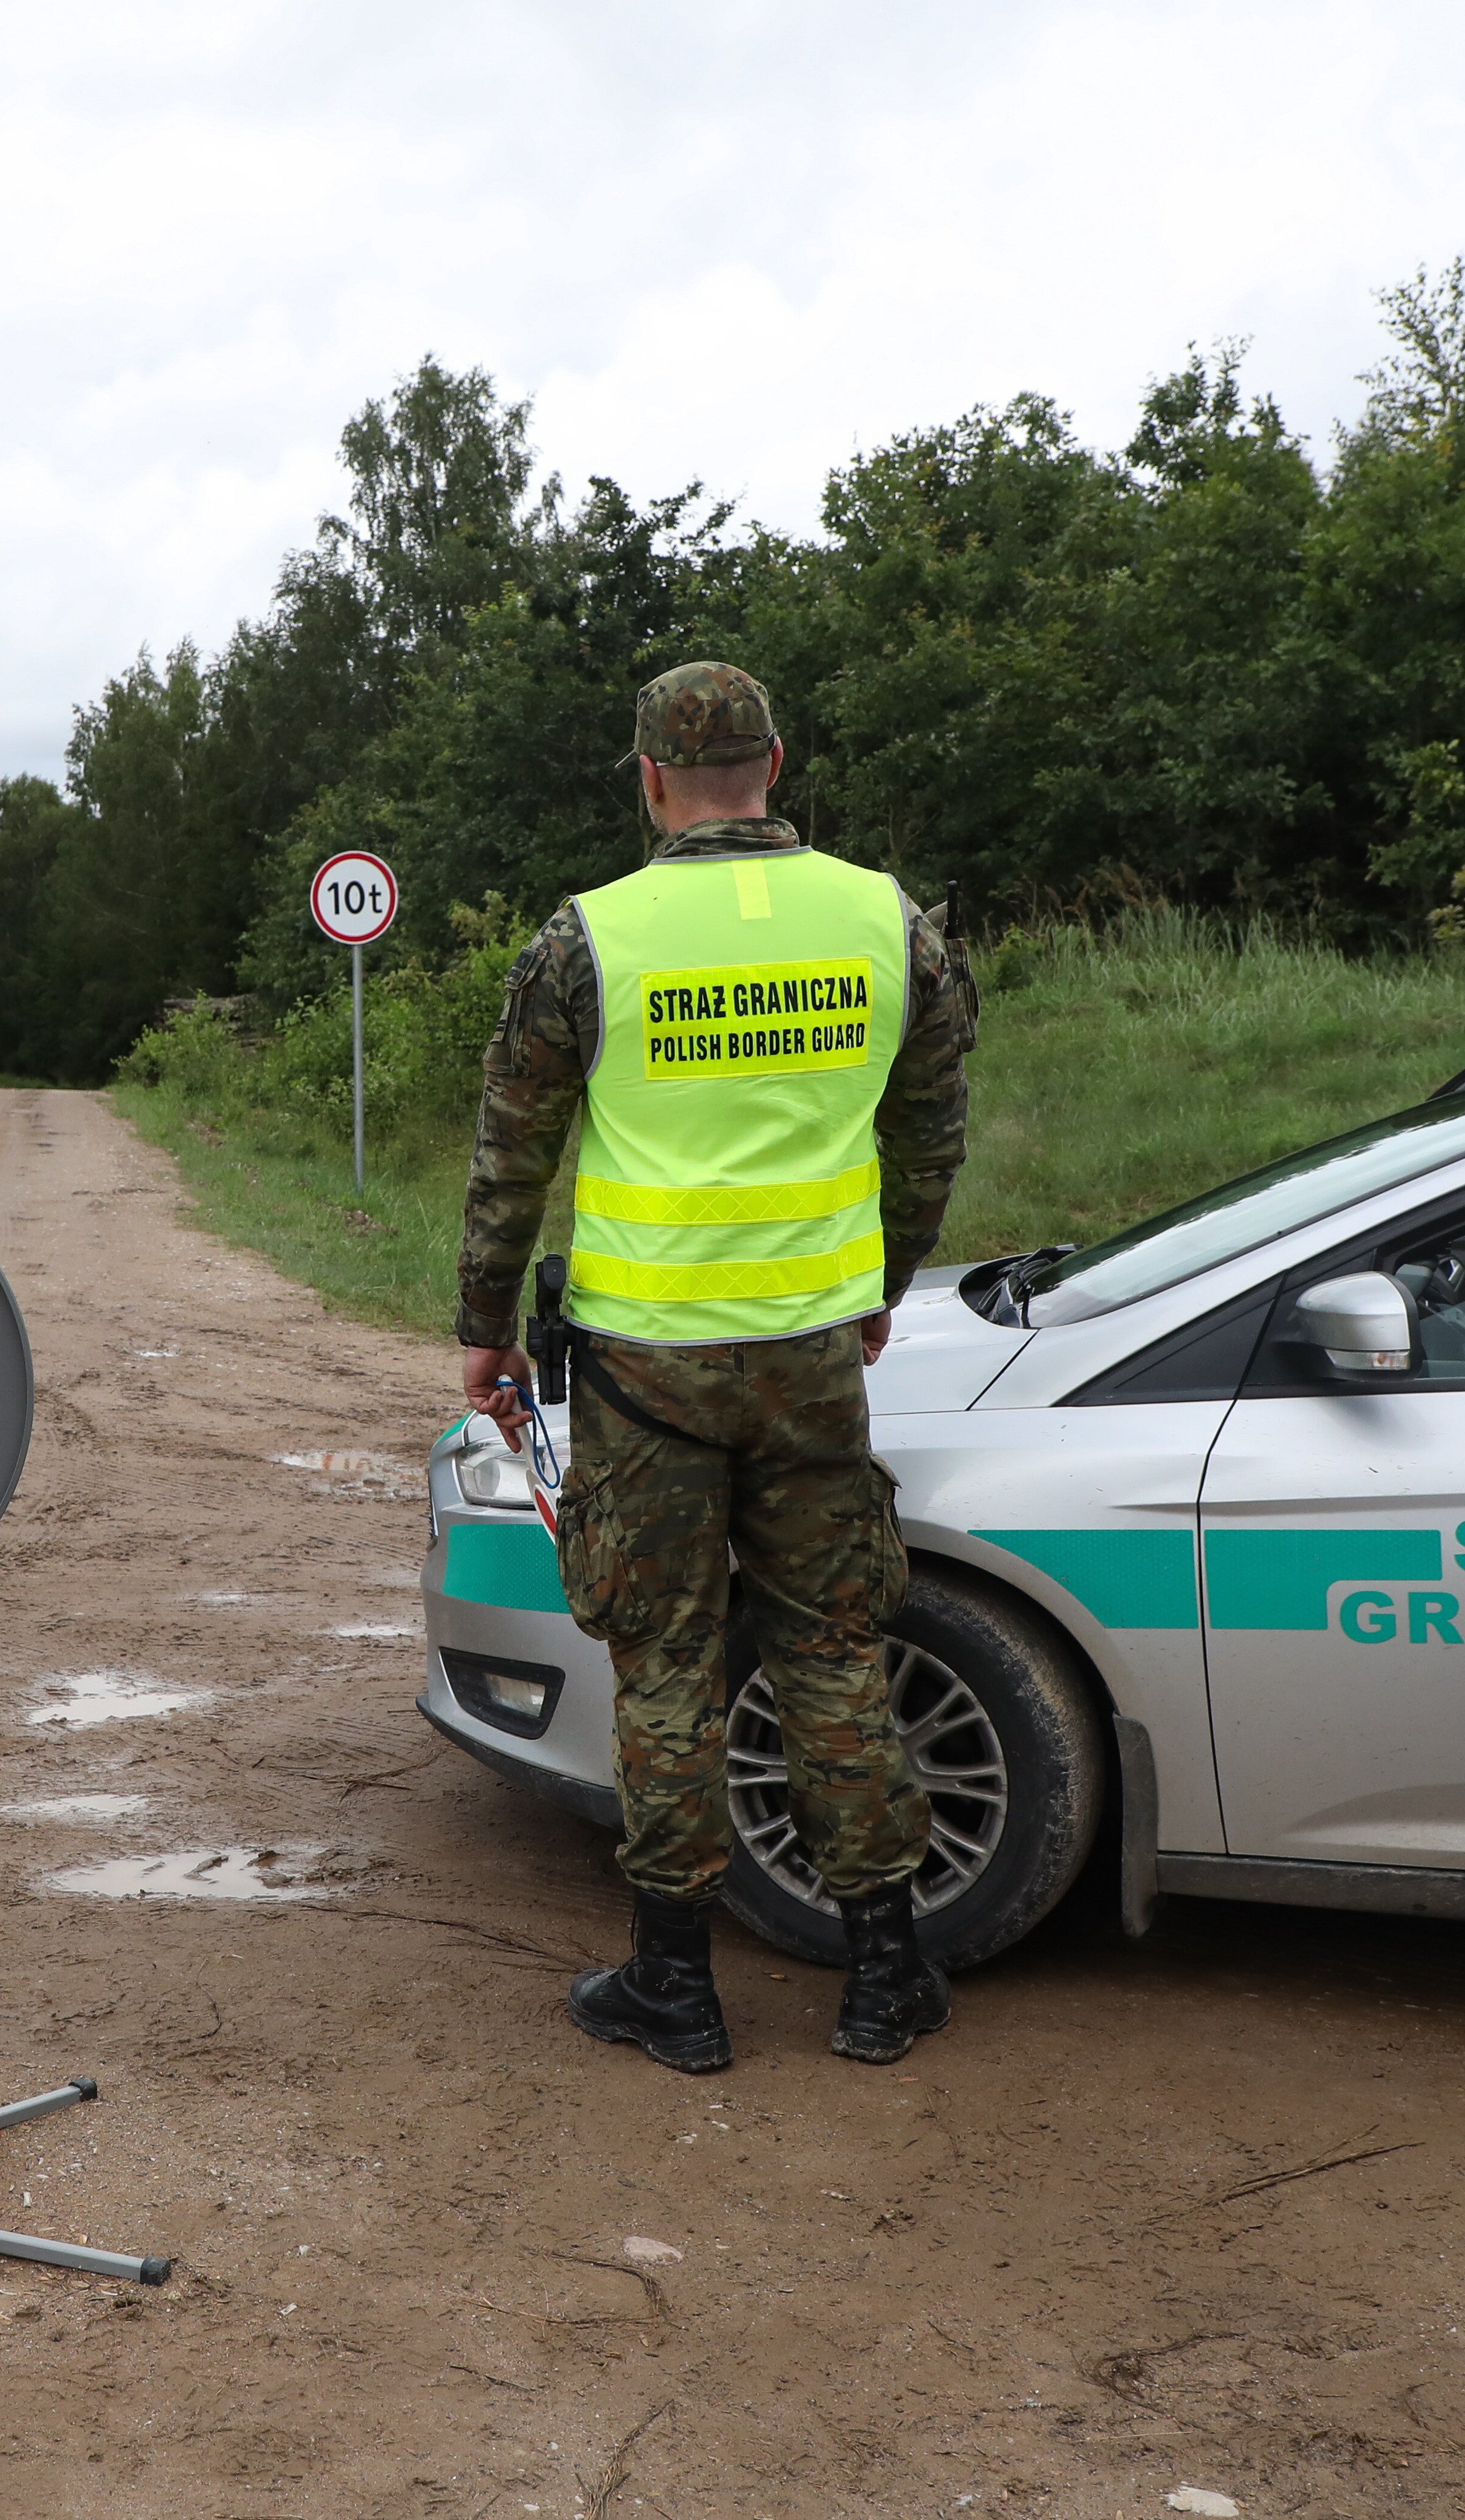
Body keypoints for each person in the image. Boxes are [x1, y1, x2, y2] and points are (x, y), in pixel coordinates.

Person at [456, 662, 975, 2072]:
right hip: (814, 1353)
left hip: (645, 1369)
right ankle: (885, 1977)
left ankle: (675, 1990)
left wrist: (484, 1327)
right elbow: (930, 1136)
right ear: (778, 762)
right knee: (832, 1647)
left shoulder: (588, 940)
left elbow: (513, 1157)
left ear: (648, 778)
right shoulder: (889, 922)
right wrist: (885, 1283)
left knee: (668, 1661)